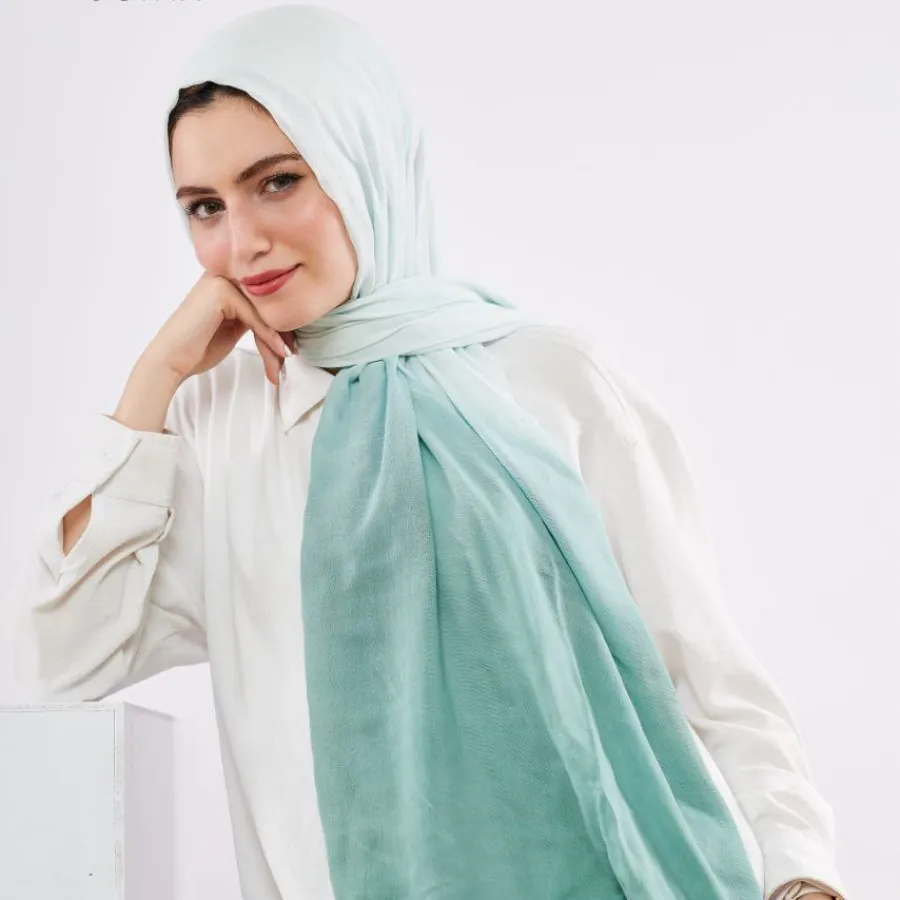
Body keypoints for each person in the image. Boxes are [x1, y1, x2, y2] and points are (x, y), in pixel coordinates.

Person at [12, 5, 847, 900]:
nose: (242, 242)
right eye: (205, 208)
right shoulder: (220, 421)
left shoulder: (549, 379)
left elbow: (708, 675)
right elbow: (63, 661)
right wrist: (155, 380)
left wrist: (800, 870)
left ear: (363, 161)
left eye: (279, 181)